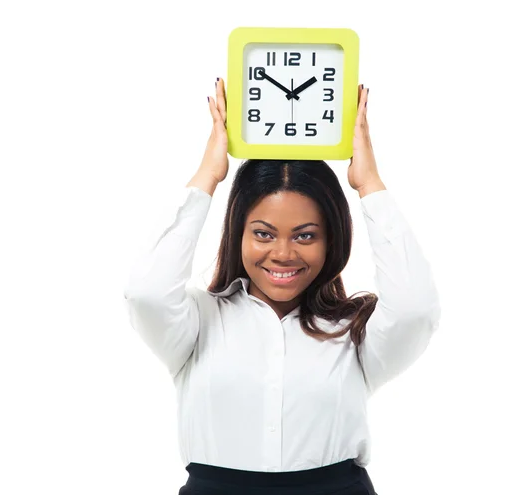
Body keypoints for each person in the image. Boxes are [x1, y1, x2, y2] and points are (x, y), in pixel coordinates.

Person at [123, 78, 442, 495]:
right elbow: (146, 293)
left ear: (332, 241)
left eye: (306, 235)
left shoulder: (352, 332)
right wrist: (208, 176)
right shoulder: (197, 323)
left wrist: (369, 185)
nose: (283, 254)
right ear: (238, 233)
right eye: (264, 233)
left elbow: (416, 309)